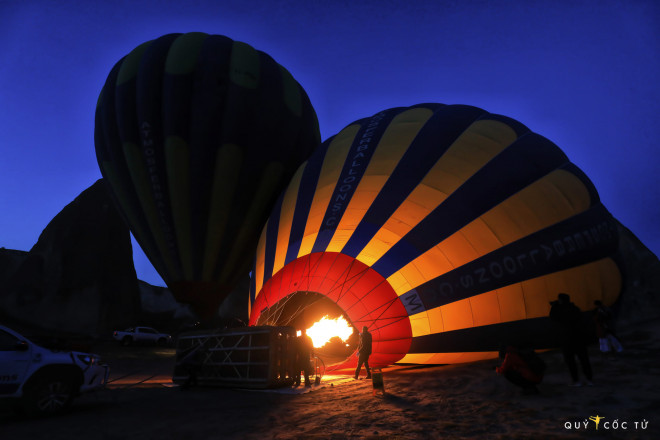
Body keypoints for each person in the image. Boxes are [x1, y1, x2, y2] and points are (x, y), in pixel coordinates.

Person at [549, 293, 594, 386]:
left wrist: (554, 306)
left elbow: (552, 317)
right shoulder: (575, 309)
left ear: (561, 300)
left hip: (567, 339)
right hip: (579, 338)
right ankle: (589, 379)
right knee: (584, 360)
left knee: (571, 362)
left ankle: (576, 380)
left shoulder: (560, 310)